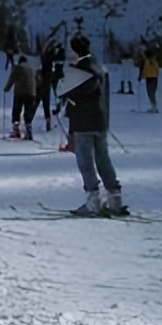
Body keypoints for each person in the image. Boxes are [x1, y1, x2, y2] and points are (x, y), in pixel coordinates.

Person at [56, 36, 124, 217]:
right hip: (101, 120)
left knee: (85, 161)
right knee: (103, 159)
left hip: (83, 122)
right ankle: (115, 198)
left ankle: (93, 201)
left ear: (74, 50)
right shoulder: (101, 67)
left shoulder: (78, 71)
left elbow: (65, 92)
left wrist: (60, 78)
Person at [4, 55, 37, 139]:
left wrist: (7, 88)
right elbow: (37, 79)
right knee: (28, 112)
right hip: (31, 93)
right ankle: (28, 130)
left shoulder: (18, 67)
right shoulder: (32, 68)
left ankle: (16, 130)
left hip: (20, 92)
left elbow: (12, 78)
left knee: (17, 110)